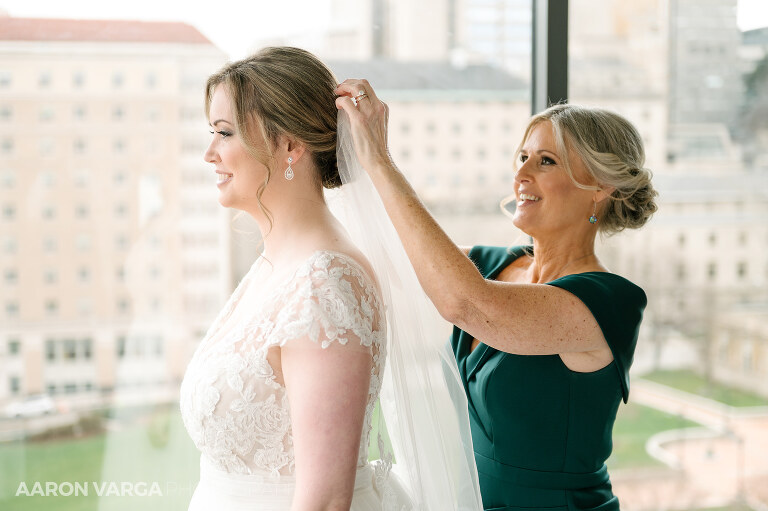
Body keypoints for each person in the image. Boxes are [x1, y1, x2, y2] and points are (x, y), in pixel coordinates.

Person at [179, 47, 483, 511]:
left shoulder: (325, 287)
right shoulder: (274, 267)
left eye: (225, 133)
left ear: (290, 146)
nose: (209, 153)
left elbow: (324, 500)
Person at [336, 80, 658, 510]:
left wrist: (379, 159)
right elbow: (388, 257)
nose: (521, 175)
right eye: (522, 157)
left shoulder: (608, 302)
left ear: (601, 186)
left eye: (545, 161)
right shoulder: (490, 265)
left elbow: (464, 302)